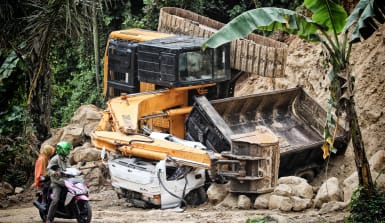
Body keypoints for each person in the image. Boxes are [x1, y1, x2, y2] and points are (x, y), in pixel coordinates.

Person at [45, 141, 72, 223]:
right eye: (67, 149)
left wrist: (75, 171)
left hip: (66, 181)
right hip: (57, 183)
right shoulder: (55, 159)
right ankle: (49, 218)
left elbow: (69, 168)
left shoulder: (66, 159)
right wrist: (55, 173)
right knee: (55, 200)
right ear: (63, 150)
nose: (69, 151)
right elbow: (48, 170)